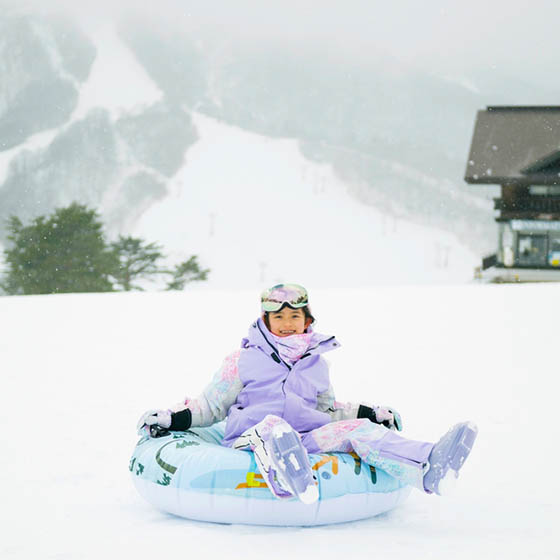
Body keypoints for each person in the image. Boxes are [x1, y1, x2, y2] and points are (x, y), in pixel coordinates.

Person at [137, 283, 478, 504]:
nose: (287, 323)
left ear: (307, 320)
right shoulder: (243, 360)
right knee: (272, 427)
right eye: (279, 316)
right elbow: (210, 405)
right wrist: (173, 418)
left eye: (295, 316)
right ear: (266, 320)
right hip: (250, 437)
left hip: (305, 438)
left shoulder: (317, 364)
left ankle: (430, 466)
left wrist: (370, 415)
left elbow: (329, 410)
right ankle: (288, 479)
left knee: (357, 433)